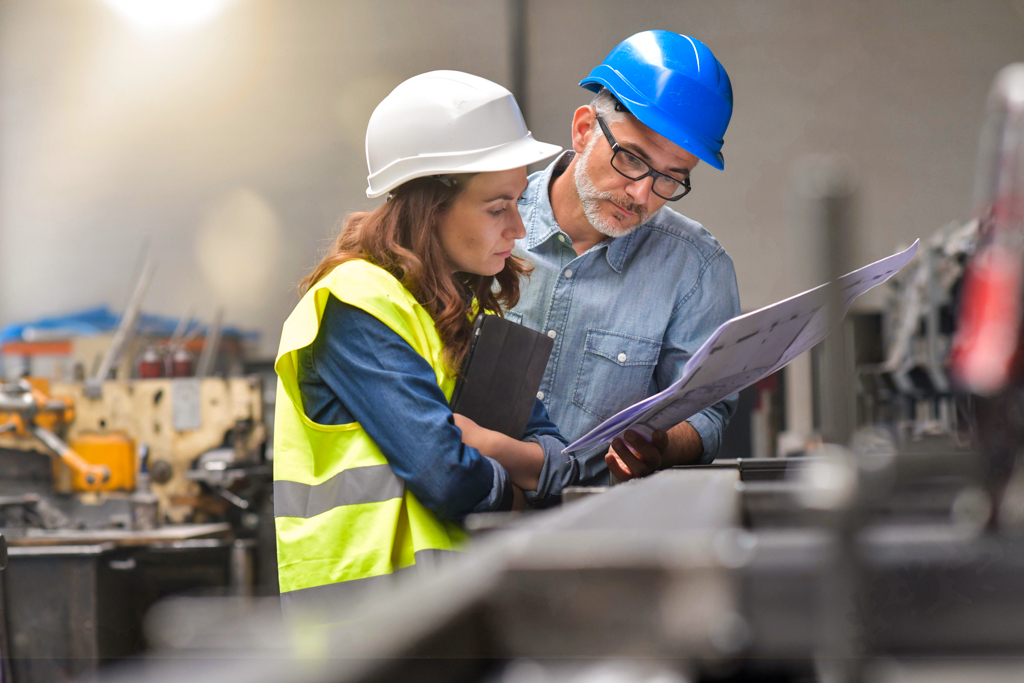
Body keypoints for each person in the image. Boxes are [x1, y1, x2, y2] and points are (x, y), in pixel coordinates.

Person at [272, 71, 564, 614]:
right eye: (498, 207)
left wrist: (491, 449)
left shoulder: (461, 308)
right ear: (430, 209)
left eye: (519, 202)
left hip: (448, 612)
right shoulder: (355, 305)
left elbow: (553, 450)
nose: (520, 229)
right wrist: (520, 489)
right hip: (364, 628)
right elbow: (446, 476)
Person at [509, 31, 741, 500]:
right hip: (457, 528)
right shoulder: (490, 218)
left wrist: (662, 445)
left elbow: (708, 414)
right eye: (632, 158)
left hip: (596, 536)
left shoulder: (696, 269)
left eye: (671, 180)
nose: (641, 194)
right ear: (583, 130)